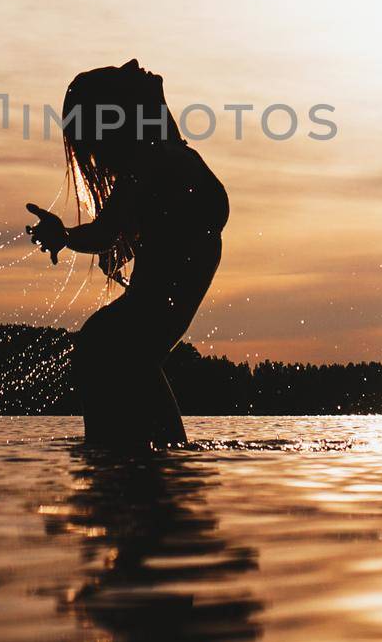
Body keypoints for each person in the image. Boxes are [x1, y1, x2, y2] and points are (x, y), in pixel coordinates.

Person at [25, 60, 229, 446]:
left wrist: (70, 236)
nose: (137, 66)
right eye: (127, 73)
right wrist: (67, 236)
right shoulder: (151, 163)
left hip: (126, 334)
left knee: (142, 434)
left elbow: (115, 231)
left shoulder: (165, 156)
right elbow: (104, 232)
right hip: (122, 335)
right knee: (144, 438)